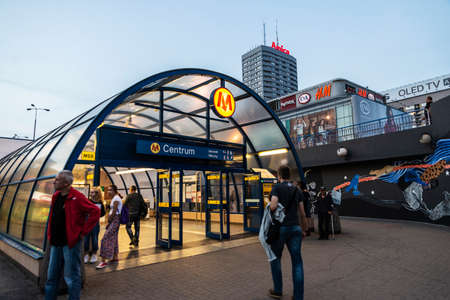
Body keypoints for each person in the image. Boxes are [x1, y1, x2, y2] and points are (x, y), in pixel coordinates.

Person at [45, 170, 100, 300]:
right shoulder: (56, 196)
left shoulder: (77, 197)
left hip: (70, 243)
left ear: (65, 183)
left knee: (71, 277)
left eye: (57, 180)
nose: (54, 181)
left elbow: (95, 211)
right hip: (55, 242)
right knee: (51, 277)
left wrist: (83, 232)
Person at [268, 165, 308, 300]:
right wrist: (304, 229)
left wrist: (269, 206)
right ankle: (298, 296)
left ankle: (278, 290)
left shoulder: (277, 188)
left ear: (279, 176)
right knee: (297, 262)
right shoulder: (297, 190)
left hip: (281, 229)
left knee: (275, 258)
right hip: (295, 228)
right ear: (289, 175)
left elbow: (273, 205)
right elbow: (302, 213)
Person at [96, 185, 122, 269]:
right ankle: (115, 257)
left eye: (110, 190)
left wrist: (109, 222)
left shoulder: (116, 199)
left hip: (114, 220)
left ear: (114, 191)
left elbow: (114, 212)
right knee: (114, 238)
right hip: (115, 221)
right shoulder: (115, 198)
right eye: (108, 190)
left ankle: (103, 261)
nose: (108, 192)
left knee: (105, 239)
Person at [84, 187, 106, 264]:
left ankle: (94, 254)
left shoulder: (100, 203)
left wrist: (97, 214)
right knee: (86, 238)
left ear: (98, 193)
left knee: (94, 239)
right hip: (87, 222)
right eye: (91, 192)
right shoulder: (88, 201)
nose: (91, 194)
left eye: (93, 192)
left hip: (95, 223)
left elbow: (103, 213)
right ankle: (86, 254)